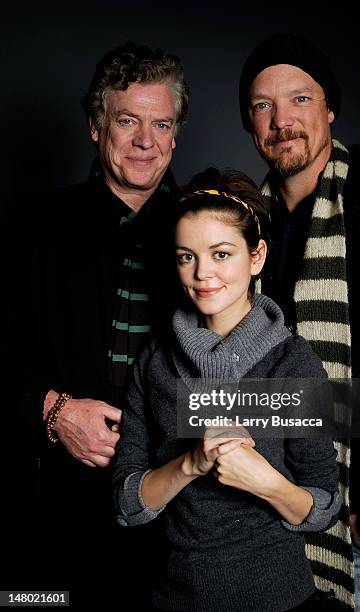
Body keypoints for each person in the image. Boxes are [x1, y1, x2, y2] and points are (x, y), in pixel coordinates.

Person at [238, 32, 360, 610]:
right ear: (250, 123)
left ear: (330, 109)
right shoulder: (245, 224)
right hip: (272, 527)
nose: (282, 120)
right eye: (263, 105)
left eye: (300, 99)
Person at [7, 41, 188, 606]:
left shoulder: (210, 234)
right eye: (127, 121)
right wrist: (53, 410)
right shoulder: (30, 228)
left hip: (179, 518)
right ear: (95, 126)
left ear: (176, 135)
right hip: (55, 517)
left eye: (161, 124)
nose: (145, 141)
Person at [113, 167, 342, 611]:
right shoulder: (156, 364)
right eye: (186, 256)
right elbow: (126, 502)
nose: (202, 275)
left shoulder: (292, 364)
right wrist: (191, 463)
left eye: (221, 254)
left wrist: (267, 482)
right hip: (175, 597)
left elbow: (322, 505)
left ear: (256, 257)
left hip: (281, 600)